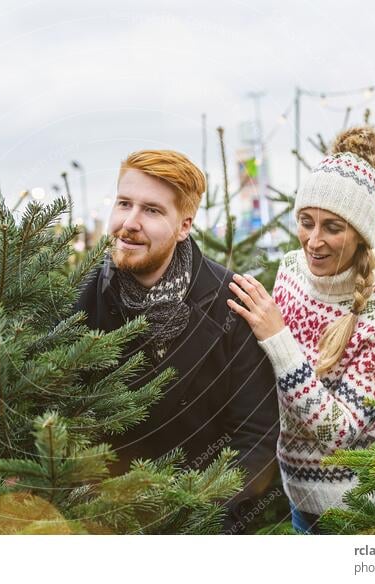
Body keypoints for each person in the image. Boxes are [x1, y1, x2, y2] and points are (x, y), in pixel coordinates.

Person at [74, 149, 280, 533]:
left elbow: (257, 435)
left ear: (184, 226)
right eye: (124, 204)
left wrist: (202, 515)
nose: (129, 223)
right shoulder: (87, 297)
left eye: (152, 211)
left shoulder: (231, 303)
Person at [227, 126, 375, 534]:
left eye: (333, 227)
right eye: (306, 222)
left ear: (362, 234)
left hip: (364, 512)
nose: (313, 241)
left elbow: (339, 435)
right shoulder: (291, 271)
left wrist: (279, 339)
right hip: (301, 502)